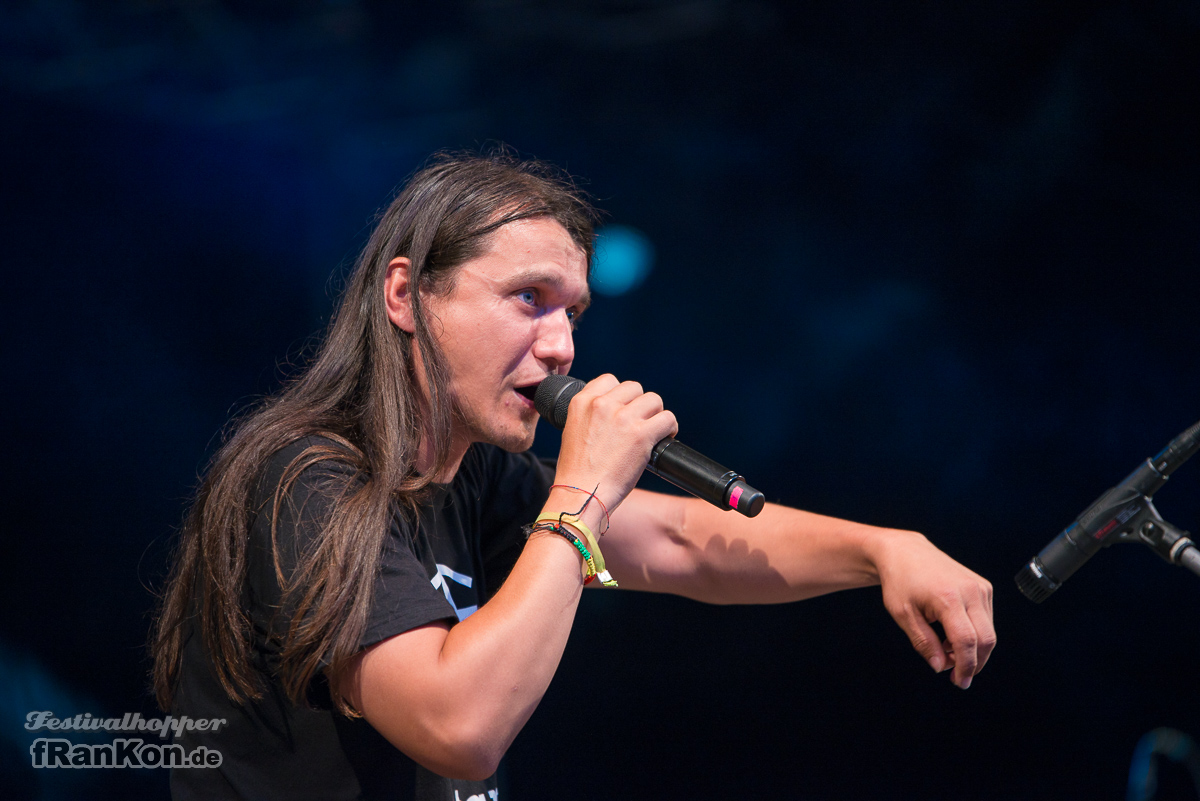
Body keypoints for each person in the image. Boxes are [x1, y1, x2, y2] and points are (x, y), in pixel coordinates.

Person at [151, 151, 995, 800]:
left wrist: (884, 548)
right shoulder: (300, 478)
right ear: (405, 296)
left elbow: (680, 538)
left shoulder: (474, 478)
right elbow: (458, 724)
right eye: (529, 298)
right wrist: (582, 493)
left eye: (573, 313)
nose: (561, 345)